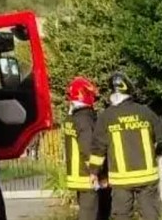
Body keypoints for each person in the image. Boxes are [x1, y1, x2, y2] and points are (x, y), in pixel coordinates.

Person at [89, 72, 162, 220]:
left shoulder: (106, 117)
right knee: (150, 215)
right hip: (147, 176)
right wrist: (157, 151)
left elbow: (98, 149)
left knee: (122, 216)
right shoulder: (145, 112)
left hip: (121, 180)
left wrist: (94, 172)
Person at [63, 77, 111, 220]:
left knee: (86, 211)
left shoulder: (71, 118)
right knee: (90, 214)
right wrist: (97, 173)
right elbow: (88, 148)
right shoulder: (85, 119)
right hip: (88, 176)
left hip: (78, 174)